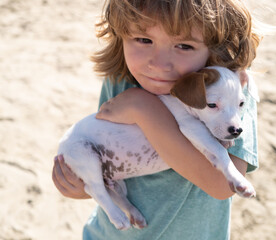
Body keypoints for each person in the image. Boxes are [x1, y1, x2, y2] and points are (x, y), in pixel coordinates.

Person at [52, 0, 262, 239]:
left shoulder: (230, 93)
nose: (159, 64)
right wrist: (83, 185)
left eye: (183, 45)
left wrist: (145, 110)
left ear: (215, 48)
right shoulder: (121, 79)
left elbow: (223, 186)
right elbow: (109, 151)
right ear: (121, 36)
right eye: (144, 40)